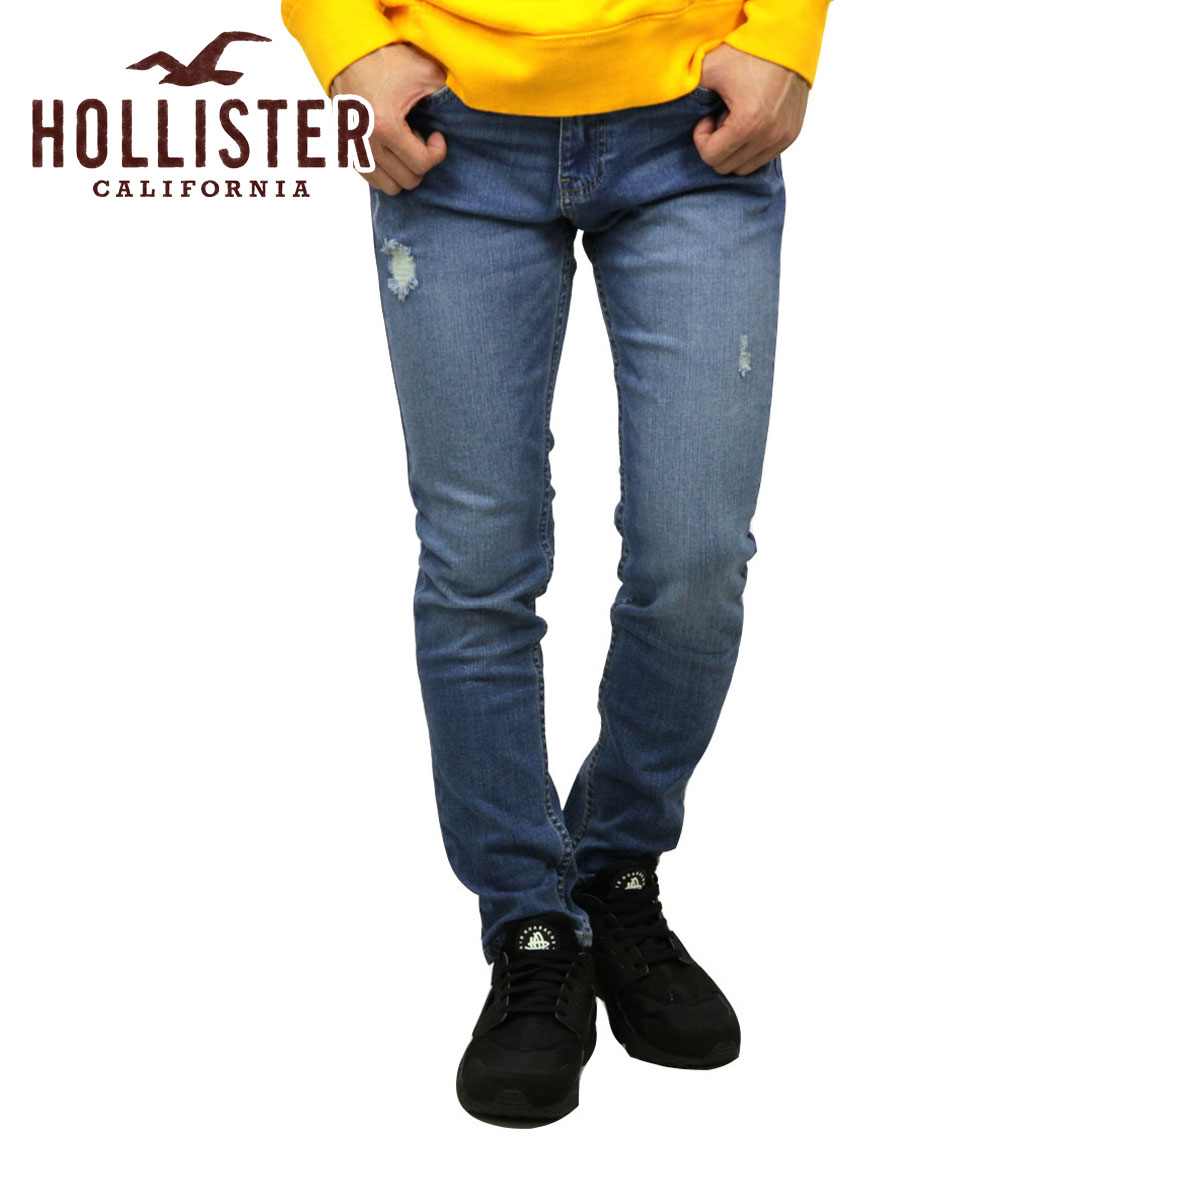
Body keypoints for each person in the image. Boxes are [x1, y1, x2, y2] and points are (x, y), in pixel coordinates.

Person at [282, 0, 833, 1127]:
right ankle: (529, 921)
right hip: (452, 126)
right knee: (479, 566)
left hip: (693, 122)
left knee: (697, 554)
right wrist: (345, 41)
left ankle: (613, 864)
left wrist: (787, 35)